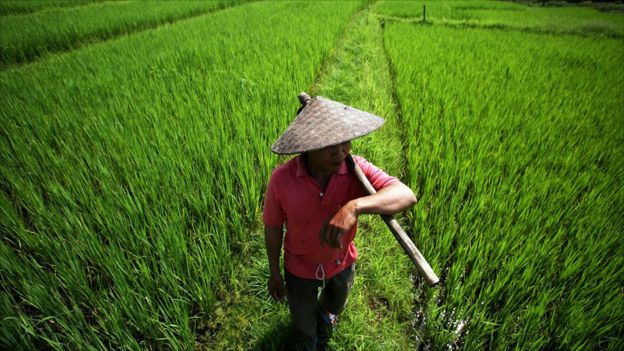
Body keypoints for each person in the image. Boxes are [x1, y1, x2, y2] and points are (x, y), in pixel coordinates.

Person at [263, 92, 417, 350]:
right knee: (302, 319)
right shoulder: (281, 180)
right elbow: (273, 227)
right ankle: (310, 338)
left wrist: (353, 206)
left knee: (335, 304)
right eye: (329, 145)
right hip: (299, 266)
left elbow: (405, 195)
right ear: (308, 146)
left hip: (341, 260)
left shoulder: (356, 169)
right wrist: (274, 272)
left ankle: (326, 317)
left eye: (345, 141)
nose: (340, 151)